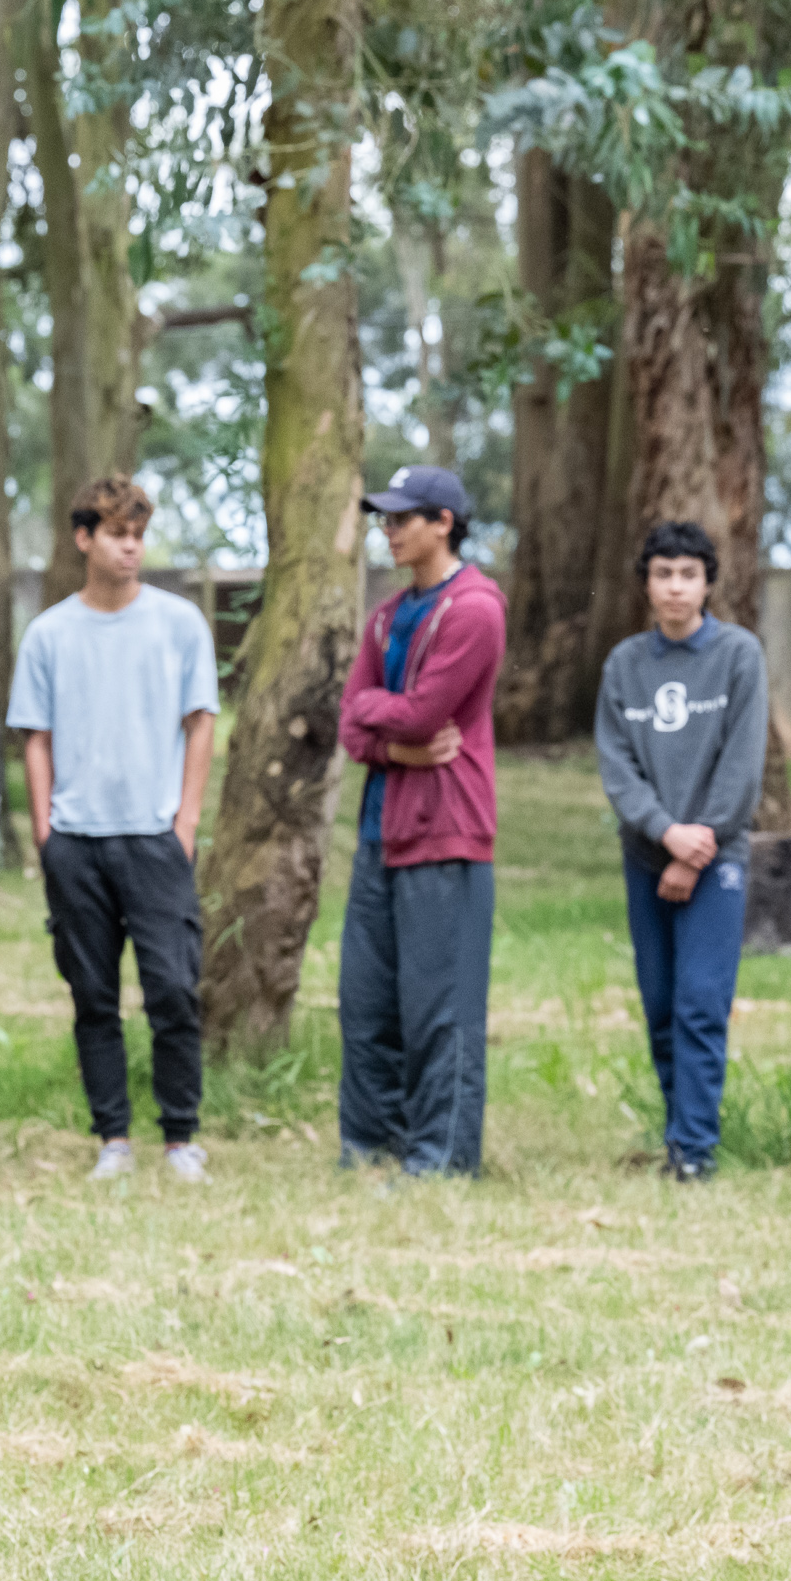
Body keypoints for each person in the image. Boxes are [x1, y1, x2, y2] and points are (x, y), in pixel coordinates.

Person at [7, 474, 219, 1182]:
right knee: (92, 995)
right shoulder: (50, 633)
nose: (131, 548)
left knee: (171, 989)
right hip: (77, 841)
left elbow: (201, 722)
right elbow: (34, 736)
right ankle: (113, 1141)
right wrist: (45, 832)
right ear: (84, 539)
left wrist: (185, 820)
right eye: (117, 535)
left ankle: (181, 1137)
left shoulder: (180, 623)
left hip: (156, 839)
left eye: (138, 535)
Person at [335, 466, 509, 1178]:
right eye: (384, 517)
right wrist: (393, 742)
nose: (389, 529)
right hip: (381, 833)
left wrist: (384, 718)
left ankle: (440, 1159)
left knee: (441, 1008)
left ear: (445, 523)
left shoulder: (474, 609)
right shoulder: (385, 616)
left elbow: (422, 712)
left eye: (404, 518)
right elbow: (353, 726)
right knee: (366, 1001)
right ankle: (372, 1145)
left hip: (446, 833)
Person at [594, 520, 766, 1184]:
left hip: (716, 858)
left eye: (688, 574)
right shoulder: (624, 666)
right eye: (663, 574)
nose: (675, 587)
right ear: (646, 584)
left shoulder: (739, 656)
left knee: (700, 1000)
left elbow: (742, 766)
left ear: (708, 584)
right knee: (661, 1003)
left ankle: (696, 1148)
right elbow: (617, 767)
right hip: (645, 855)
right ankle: (676, 1132)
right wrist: (664, 834)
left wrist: (696, 848)